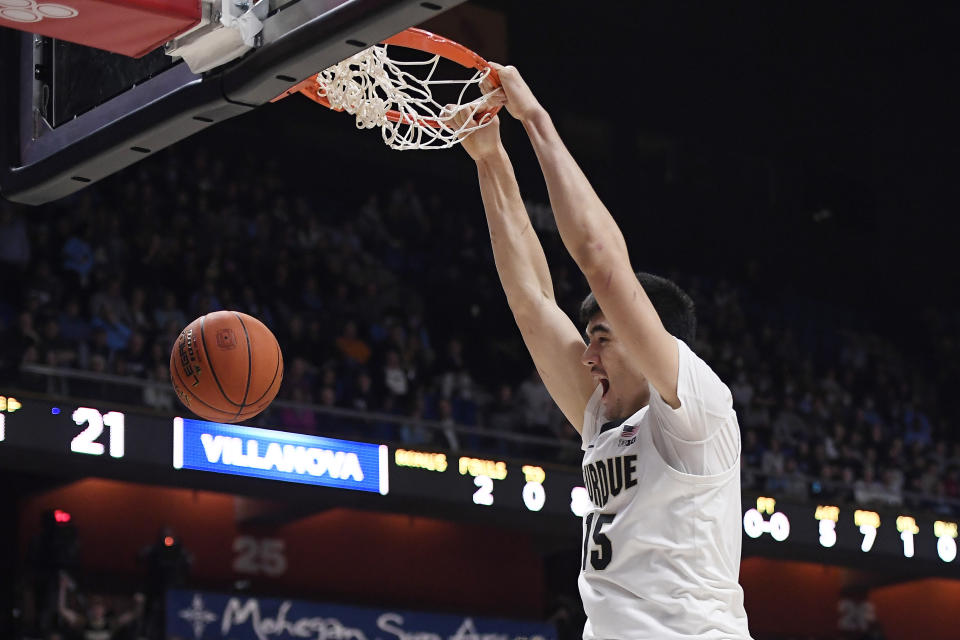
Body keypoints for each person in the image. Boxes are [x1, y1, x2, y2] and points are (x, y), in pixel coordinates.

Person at [451, 65, 751, 639]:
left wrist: (534, 121)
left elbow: (600, 258)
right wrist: (491, 162)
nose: (588, 358)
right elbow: (533, 301)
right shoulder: (602, 418)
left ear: (651, 339)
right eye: (589, 341)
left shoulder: (699, 411)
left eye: (603, 340)